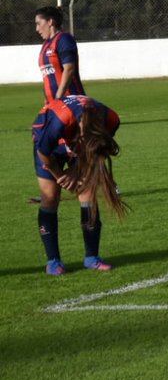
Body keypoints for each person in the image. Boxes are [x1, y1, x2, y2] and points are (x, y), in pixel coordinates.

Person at [32, 94, 127, 275]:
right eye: (82, 135)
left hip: (82, 149)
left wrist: (76, 169)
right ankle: (53, 261)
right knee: (50, 197)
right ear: (79, 123)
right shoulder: (60, 121)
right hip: (51, 146)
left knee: (88, 193)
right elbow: (43, 152)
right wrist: (61, 176)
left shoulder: (111, 119)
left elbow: (99, 151)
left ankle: (92, 258)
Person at [35, 5, 86, 103]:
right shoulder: (45, 45)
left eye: (38, 23)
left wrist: (59, 96)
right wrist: (47, 99)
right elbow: (48, 76)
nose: (37, 29)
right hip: (53, 103)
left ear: (50, 22)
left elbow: (69, 69)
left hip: (70, 101)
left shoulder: (64, 39)